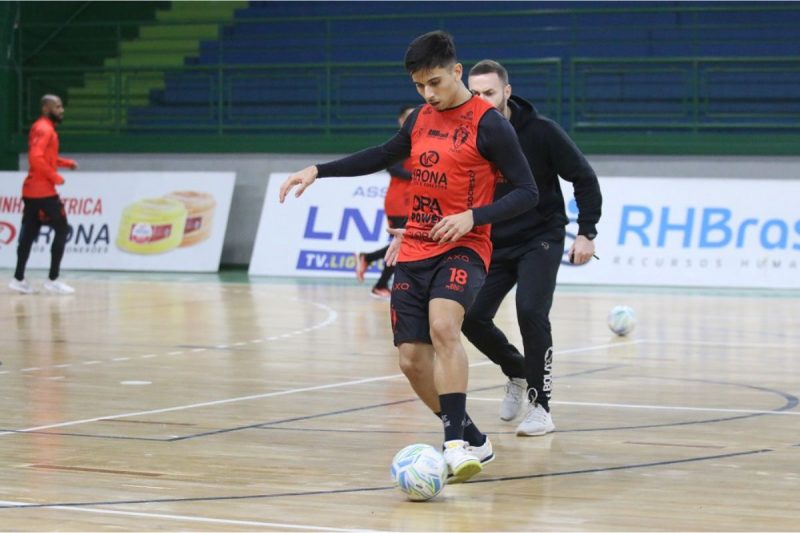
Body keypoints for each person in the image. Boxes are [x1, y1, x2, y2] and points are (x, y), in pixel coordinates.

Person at [280, 32, 539, 482]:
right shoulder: (420, 118)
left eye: (435, 83)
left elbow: (527, 193)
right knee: (411, 362)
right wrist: (317, 170)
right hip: (416, 246)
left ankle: (454, 446)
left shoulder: (489, 123)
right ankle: (472, 436)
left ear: (457, 72)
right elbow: (381, 154)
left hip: (464, 245)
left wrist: (471, 217)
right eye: (420, 86)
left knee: (444, 327)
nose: (428, 94)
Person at [463, 60, 602, 436]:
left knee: (530, 311)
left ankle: (541, 407)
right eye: (474, 94)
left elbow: (583, 178)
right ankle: (517, 371)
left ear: (507, 92)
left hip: (540, 237)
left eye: (489, 93)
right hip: (492, 241)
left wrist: (586, 232)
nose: (481, 101)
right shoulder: (468, 134)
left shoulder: (542, 132)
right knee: (469, 316)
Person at [9, 94, 77, 295]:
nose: (62, 110)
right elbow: (36, 157)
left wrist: (66, 164)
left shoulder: (42, 127)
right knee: (62, 229)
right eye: (57, 106)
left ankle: (18, 278)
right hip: (43, 192)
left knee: (29, 234)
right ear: (46, 109)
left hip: (31, 192)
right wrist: (55, 177)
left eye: (62, 106)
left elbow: (47, 158)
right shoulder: (45, 129)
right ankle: (53, 279)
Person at [354, 105, 415, 299]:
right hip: (399, 201)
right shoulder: (400, 142)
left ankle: (373, 268)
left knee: (404, 244)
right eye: (410, 117)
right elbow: (394, 168)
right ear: (401, 121)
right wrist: (422, 176)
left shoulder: (421, 140)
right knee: (403, 244)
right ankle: (379, 281)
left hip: (411, 201)